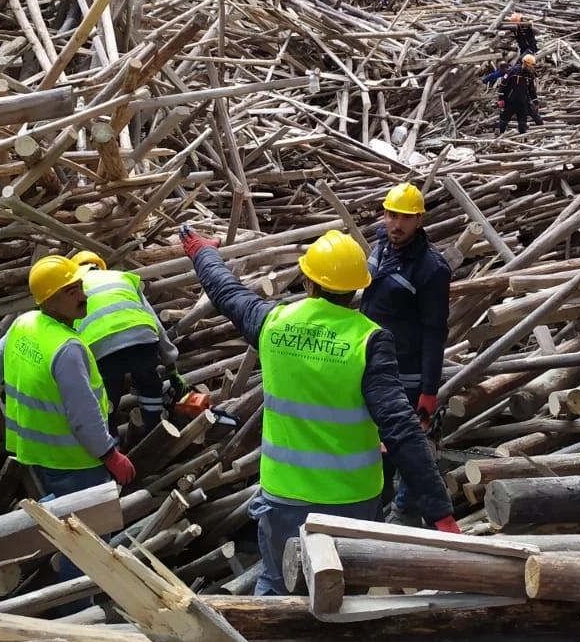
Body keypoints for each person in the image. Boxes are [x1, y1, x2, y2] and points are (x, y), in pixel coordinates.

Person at [178, 224, 458, 594]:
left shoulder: (273, 323)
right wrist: (441, 512)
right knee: (346, 593)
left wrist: (202, 252)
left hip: (285, 498)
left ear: (308, 280)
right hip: (352, 502)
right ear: (358, 289)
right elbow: (400, 428)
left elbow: (226, 291)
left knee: (279, 587)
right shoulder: (369, 340)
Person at [0, 255, 137, 499]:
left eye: (80, 287)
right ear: (50, 301)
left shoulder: (23, 324)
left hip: (35, 454)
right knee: (90, 531)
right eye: (71, 292)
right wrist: (111, 456)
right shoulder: (67, 348)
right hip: (77, 463)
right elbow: (83, 416)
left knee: (57, 524)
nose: (83, 296)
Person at [360, 183, 451, 526]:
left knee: (407, 446)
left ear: (419, 221)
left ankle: (405, 511)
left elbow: (435, 330)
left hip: (406, 376)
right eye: (391, 214)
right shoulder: (380, 246)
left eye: (405, 218)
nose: (396, 224)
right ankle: (372, 510)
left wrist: (429, 389)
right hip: (368, 366)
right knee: (372, 446)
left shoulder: (431, 269)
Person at [69, 250, 179, 438]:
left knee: (106, 402)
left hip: (101, 349)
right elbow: (154, 320)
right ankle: (154, 433)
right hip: (143, 339)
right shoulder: (122, 277)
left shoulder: (73, 291)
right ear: (100, 265)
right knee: (149, 383)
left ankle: (112, 449)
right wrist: (170, 359)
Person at [497, 53, 542, 134]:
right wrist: (501, 99)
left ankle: (522, 137)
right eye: (529, 67)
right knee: (504, 119)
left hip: (523, 101)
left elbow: (532, 90)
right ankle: (499, 135)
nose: (531, 69)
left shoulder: (529, 75)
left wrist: (536, 102)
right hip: (511, 101)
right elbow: (503, 85)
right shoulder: (512, 72)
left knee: (522, 122)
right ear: (525, 64)